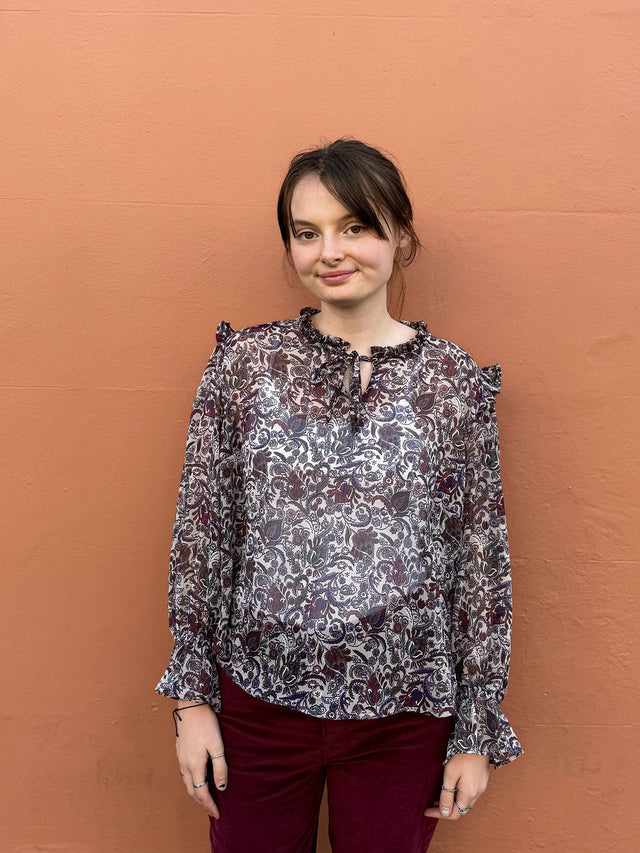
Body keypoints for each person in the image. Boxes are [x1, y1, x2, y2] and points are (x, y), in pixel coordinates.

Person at [156, 138, 523, 853]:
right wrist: (192, 700)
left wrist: (475, 727)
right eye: (307, 232)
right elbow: (204, 533)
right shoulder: (246, 367)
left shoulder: (452, 385)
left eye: (354, 225)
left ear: (399, 234)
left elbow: (481, 565)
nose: (331, 249)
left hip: (405, 715)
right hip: (259, 705)